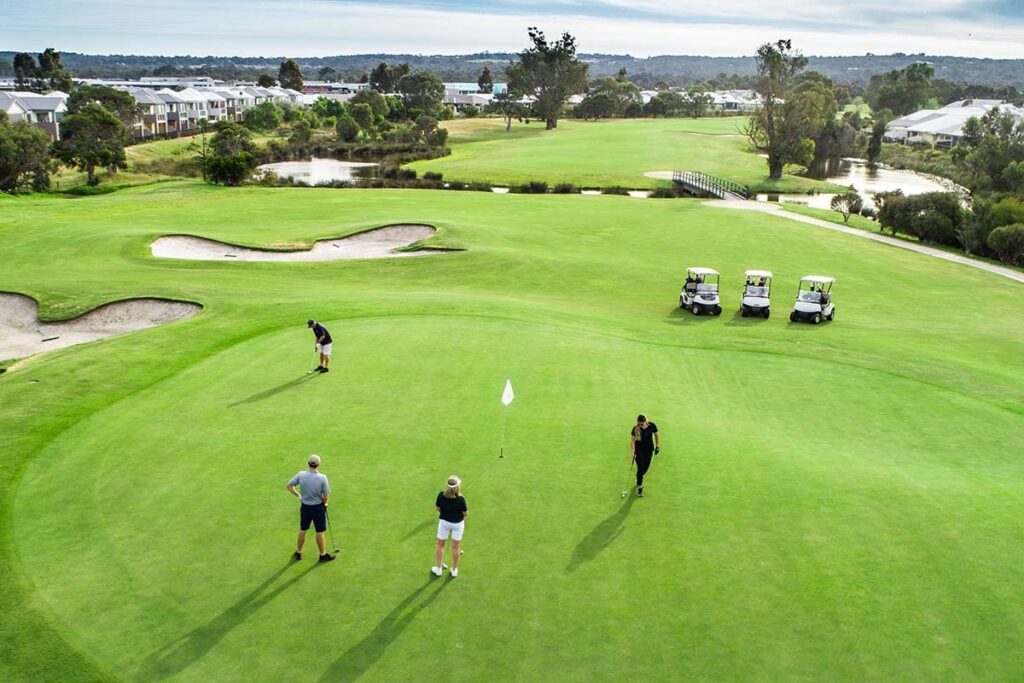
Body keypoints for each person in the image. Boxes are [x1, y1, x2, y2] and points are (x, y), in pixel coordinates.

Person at [286, 454, 336, 563]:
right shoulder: (322, 477)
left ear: (308, 463)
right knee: (320, 532)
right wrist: (325, 503)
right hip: (318, 508)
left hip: (305, 507)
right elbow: (325, 495)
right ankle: (322, 555)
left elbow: (289, 485)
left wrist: (299, 496)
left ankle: (298, 552)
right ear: (318, 464)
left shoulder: (301, 475)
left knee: (303, 529)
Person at [432, 475, 467, 578]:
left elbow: (438, 508)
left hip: (444, 523)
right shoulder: (461, 499)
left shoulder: (441, 495)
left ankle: (438, 569)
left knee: (440, 545)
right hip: (458, 524)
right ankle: (454, 570)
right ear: (457, 487)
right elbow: (465, 513)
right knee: (456, 547)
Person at [630, 414, 660, 498]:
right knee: (640, 468)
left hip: (649, 450)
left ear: (646, 421)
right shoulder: (635, 429)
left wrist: (657, 446)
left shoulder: (652, 426)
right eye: (639, 424)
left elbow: (657, 435)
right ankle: (640, 487)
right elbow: (632, 441)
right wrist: (633, 452)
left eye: (642, 424)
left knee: (645, 469)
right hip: (638, 451)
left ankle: (639, 478)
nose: (640, 426)